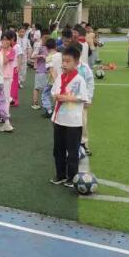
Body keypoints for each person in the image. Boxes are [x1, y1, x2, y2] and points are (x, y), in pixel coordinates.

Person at [50, 46, 89, 187]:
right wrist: (57, 96)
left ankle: (72, 177)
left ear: (76, 63)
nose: (64, 64)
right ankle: (60, 175)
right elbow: (54, 93)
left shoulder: (79, 80)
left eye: (68, 61)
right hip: (59, 120)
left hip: (73, 122)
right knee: (58, 150)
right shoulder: (60, 78)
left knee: (72, 151)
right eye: (63, 61)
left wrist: (66, 97)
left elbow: (83, 98)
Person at [72, 42, 95, 156]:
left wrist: (89, 99)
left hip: (82, 101)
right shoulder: (67, 66)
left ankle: (83, 143)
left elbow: (90, 83)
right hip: (69, 100)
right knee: (70, 123)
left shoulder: (85, 68)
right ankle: (70, 144)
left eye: (78, 52)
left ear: (80, 53)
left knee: (83, 122)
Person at [31, 30, 49, 109]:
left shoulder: (50, 49)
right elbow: (32, 56)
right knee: (37, 87)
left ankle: (45, 103)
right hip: (40, 70)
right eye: (44, 39)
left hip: (47, 71)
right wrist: (41, 56)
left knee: (46, 88)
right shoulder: (40, 47)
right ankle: (35, 103)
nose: (44, 40)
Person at [42, 38, 59, 118]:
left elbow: (51, 69)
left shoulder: (49, 57)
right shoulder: (60, 55)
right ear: (55, 46)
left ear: (46, 48)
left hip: (52, 80)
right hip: (60, 78)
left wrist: (56, 80)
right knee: (57, 94)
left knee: (45, 94)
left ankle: (49, 111)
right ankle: (57, 111)